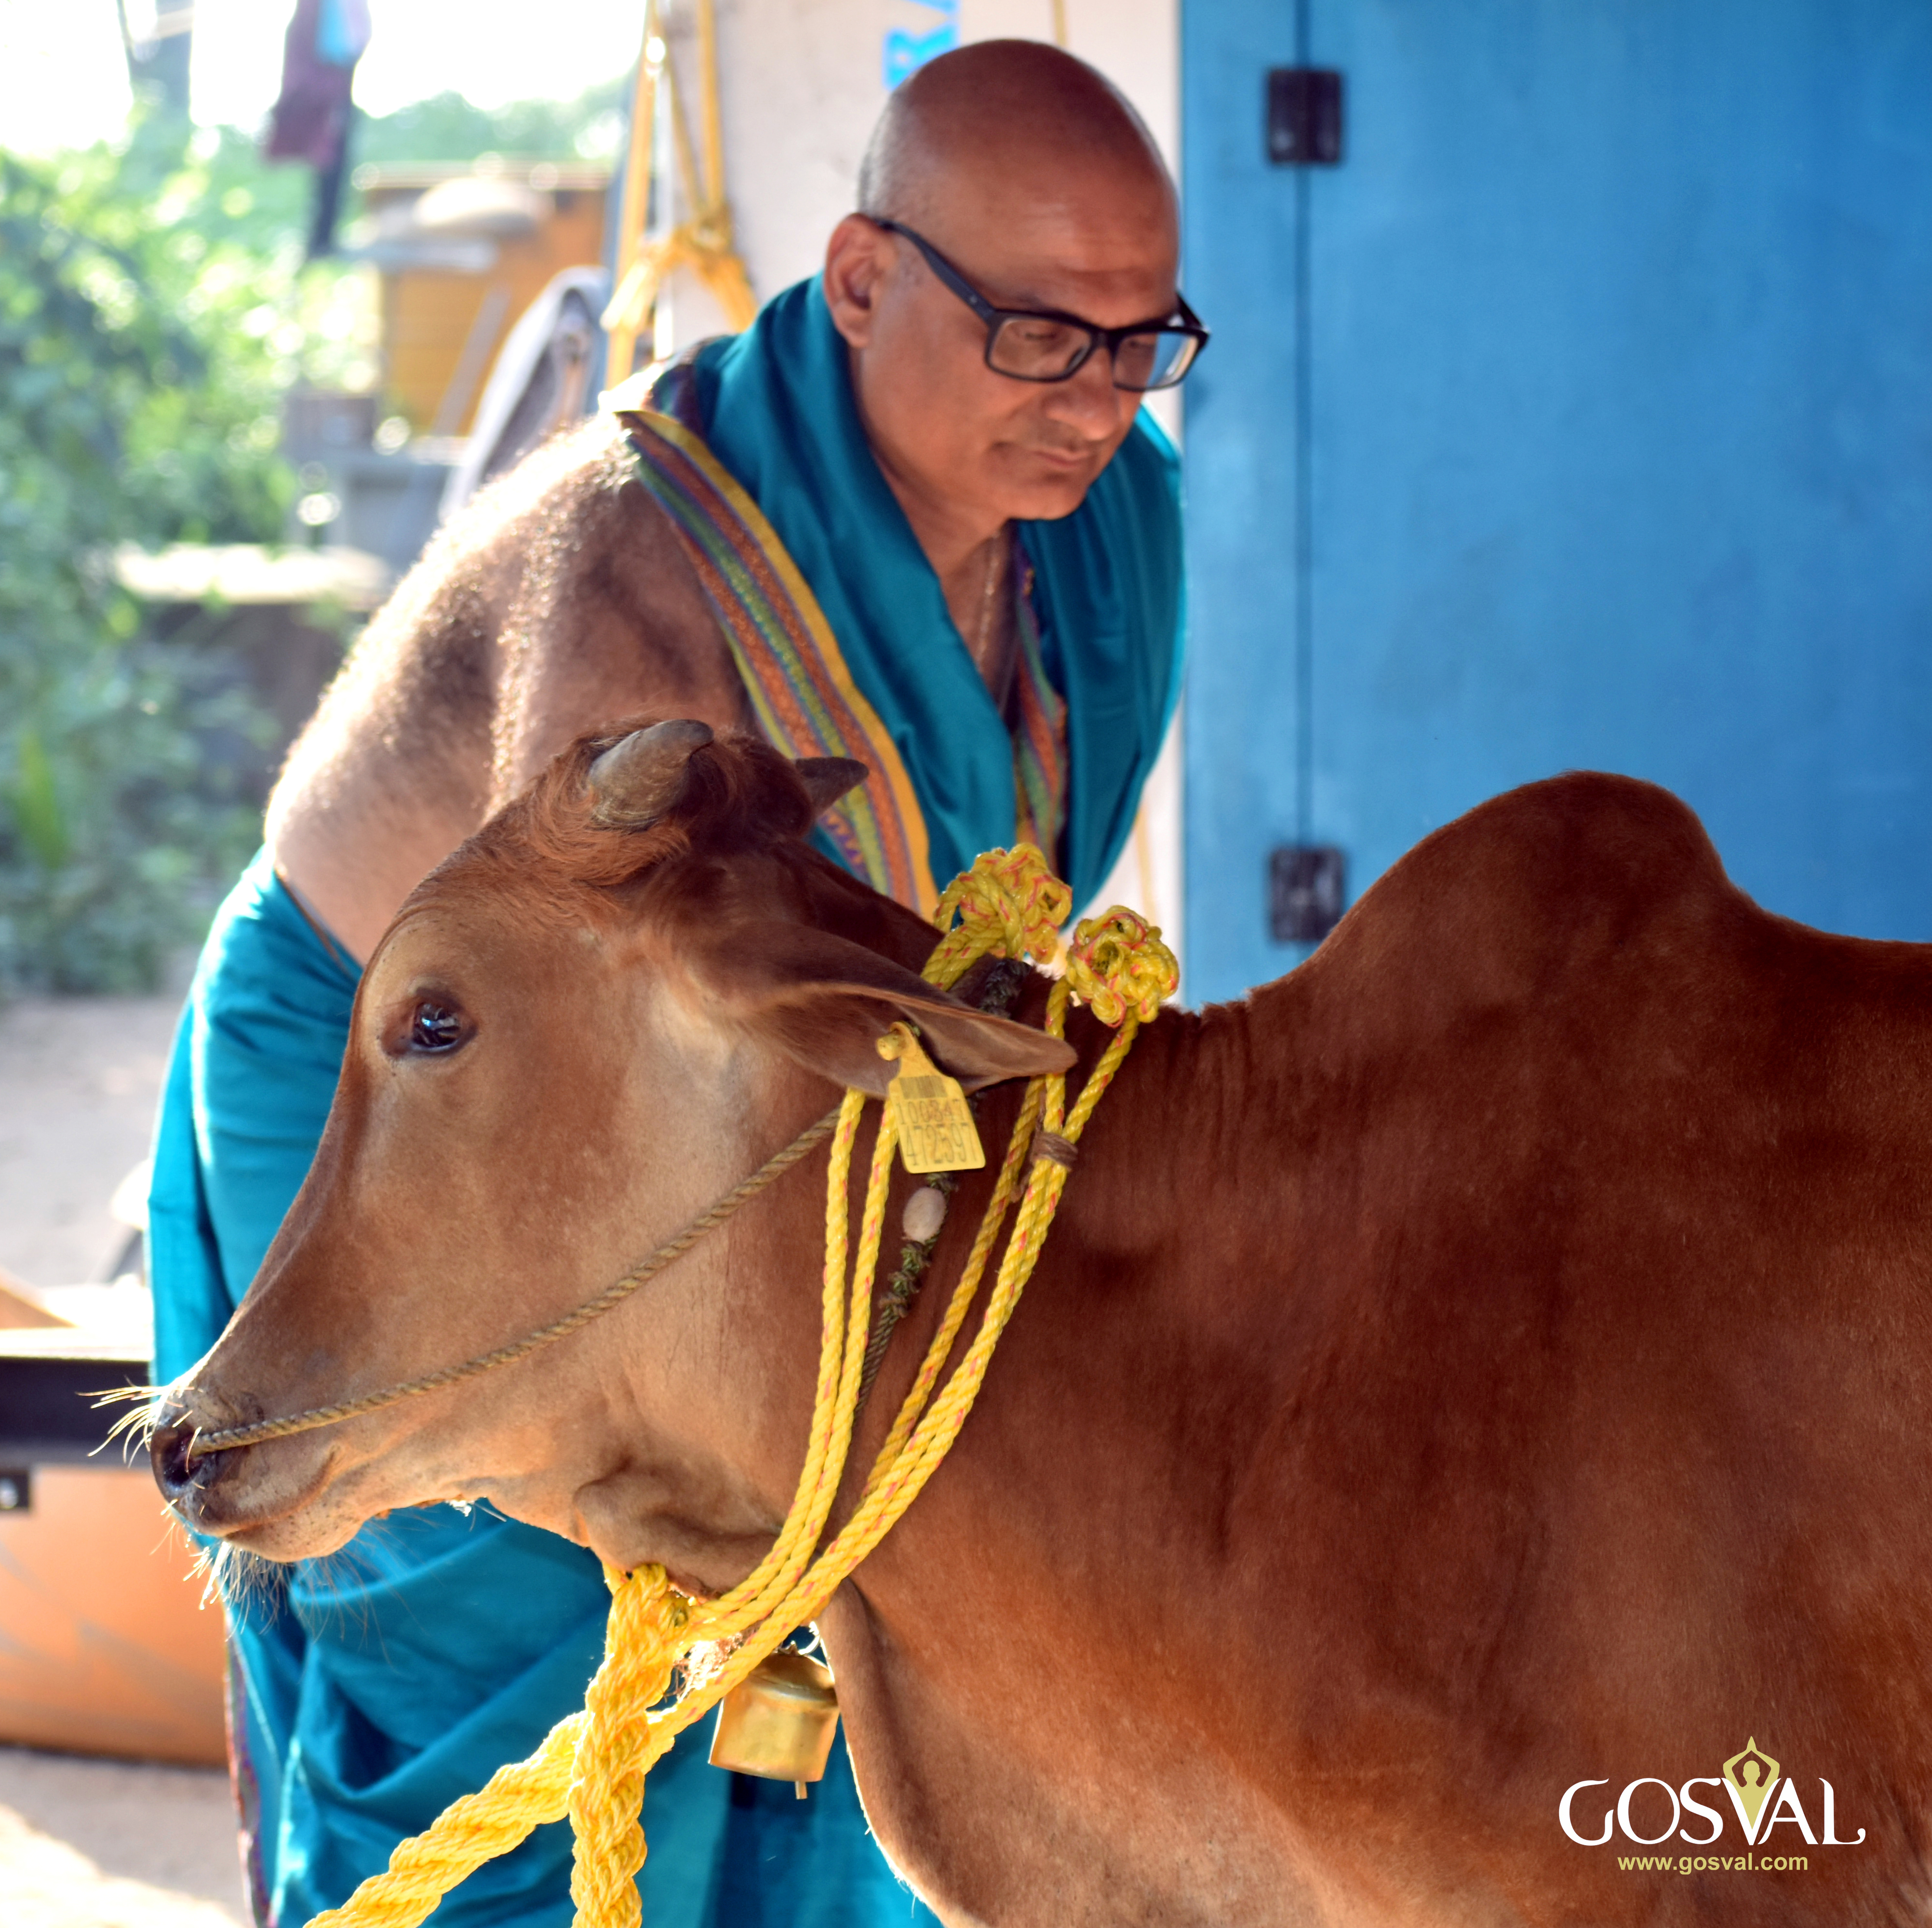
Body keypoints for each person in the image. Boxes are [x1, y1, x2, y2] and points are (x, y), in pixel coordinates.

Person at [148, 38, 1201, 1928]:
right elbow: (588, 1077)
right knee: (514, 1618)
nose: (1098, 402)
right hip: (421, 1053)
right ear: (867, 279)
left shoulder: (1117, 531)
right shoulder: (642, 608)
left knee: (858, 1573)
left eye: (1140, 342)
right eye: (1044, 335)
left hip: (768, 1071)